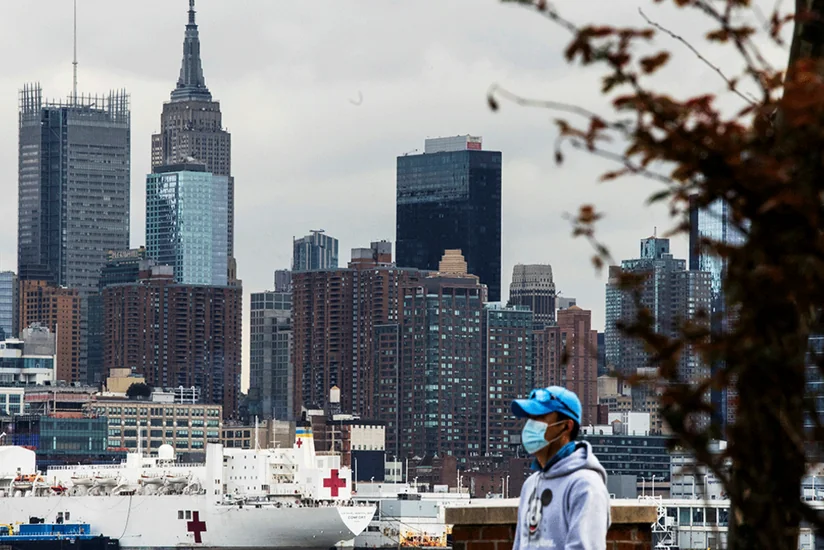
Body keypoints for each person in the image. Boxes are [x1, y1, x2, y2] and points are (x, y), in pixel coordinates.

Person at [511, 386, 610, 550]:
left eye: (540, 417)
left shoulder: (586, 486)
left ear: (566, 426)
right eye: (530, 418)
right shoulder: (530, 485)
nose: (530, 426)